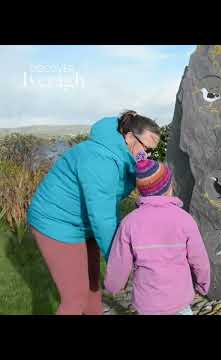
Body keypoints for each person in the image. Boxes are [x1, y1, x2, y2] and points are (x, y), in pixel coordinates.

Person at [27, 110, 161, 315]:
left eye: (153, 151)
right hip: (56, 222)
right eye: (146, 148)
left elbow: (111, 202)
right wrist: (119, 264)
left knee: (92, 288)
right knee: (75, 299)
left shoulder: (125, 156)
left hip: (85, 222)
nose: (148, 155)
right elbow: (103, 219)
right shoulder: (100, 159)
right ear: (128, 136)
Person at [104, 160, 211, 315]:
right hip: (179, 298)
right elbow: (199, 259)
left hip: (147, 301)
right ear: (168, 187)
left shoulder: (129, 223)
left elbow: (119, 262)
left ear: (141, 191)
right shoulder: (184, 219)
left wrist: (113, 286)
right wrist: (203, 284)